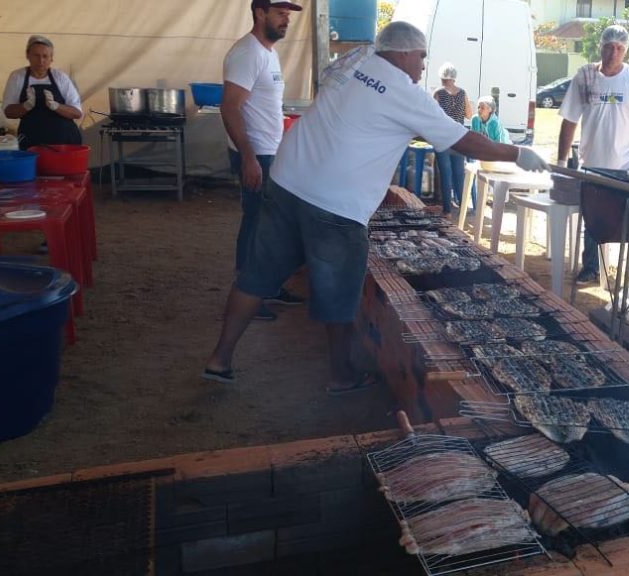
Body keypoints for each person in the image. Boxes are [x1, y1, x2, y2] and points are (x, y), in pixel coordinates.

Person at [202, 21, 549, 394]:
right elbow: (463, 142)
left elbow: (350, 91)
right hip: (335, 201)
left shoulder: (354, 60)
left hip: (288, 178)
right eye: (420, 58)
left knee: (256, 275)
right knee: (339, 293)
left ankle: (219, 359)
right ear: (403, 53)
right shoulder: (405, 92)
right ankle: (341, 376)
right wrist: (517, 152)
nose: (421, 68)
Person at [555, 25, 629, 292]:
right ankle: (591, 268)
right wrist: (562, 164)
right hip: (594, 164)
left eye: (619, 48)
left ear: (626, 50)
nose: (613, 52)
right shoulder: (585, 77)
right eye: (609, 46)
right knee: (593, 219)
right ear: (600, 47)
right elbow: (569, 121)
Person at [221, 0, 306, 321]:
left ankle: (266, 286)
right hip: (256, 154)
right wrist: (248, 157)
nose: (286, 20)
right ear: (260, 13)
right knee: (256, 223)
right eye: (280, 13)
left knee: (269, 224)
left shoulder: (267, 52)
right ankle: (248, 293)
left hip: (269, 150)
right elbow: (229, 107)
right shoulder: (248, 53)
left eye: (288, 15)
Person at [2, 35, 82, 150]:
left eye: (45, 56)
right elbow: (8, 112)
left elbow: (77, 113)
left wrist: (56, 106)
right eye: (36, 56)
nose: (41, 61)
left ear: (51, 58)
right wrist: (26, 105)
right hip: (32, 142)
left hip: (64, 142)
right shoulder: (17, 77)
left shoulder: (60, 77)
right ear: (27, 55)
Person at [432, 62, 472, 215]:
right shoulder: (463, 93)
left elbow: (432, 115)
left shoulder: (438, 93)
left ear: (442, 77)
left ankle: (447, 211)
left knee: (446, 173)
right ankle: (462, 209)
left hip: (442, 138)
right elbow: (468, 114)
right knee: (459, 173)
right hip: (459, 137)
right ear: (454, 78)